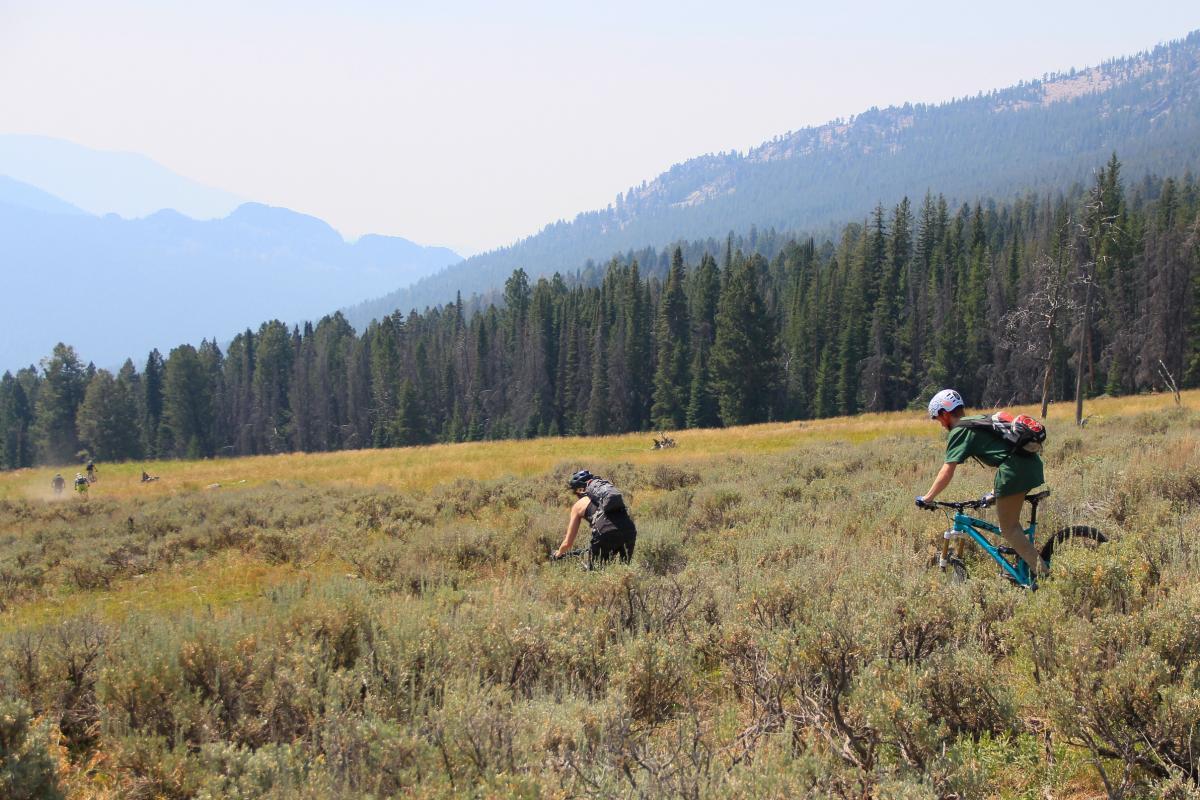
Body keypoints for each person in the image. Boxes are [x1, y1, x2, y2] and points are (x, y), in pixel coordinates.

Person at [917, 389, 1048, 579]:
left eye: (937, 418)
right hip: (1031, 465)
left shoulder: (959, 430)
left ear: (945, 414)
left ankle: (1044, 577)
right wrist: (996, 492)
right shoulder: (976, 420)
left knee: (1009, 529)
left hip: (1014, 471)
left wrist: (927, 498)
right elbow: (1003, 449)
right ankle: (1023, 568)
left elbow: (947, 470)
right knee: (1011, 524)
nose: (939, 423)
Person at [552, 469, 637, 566]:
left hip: (605, 532)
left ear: (579, 490)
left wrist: (558, 553)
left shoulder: (578, 505)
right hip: (629, 530)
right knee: (624, 572)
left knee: (596, 572)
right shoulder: (605, 497)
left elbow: (568, 543)